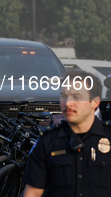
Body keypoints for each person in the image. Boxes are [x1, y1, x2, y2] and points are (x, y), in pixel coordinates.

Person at [23, 69, 111, 197]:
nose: (68, 103)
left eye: (77, 97)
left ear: (95, 102)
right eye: (64, 96)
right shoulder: (47, 141)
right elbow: (33, 193)